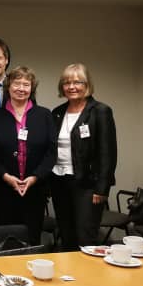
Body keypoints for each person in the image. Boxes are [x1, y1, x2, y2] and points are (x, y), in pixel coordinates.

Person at [0, 66, 57, 245]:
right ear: (8, 86)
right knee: (4, 240)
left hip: (35, 190)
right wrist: (6, 176)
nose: (21, 88)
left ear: (32, 88)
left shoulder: (44, 115)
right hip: (2, 189)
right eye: (17, 84)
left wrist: (35, 177)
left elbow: (51, 152)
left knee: (31, 238)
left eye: (26, 84)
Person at [51, 63, 117, 250]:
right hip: (60, 181)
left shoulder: (100, 111)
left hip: (88, 185)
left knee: (85, 236)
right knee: (66, 234)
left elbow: (108, 153)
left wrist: (102, 188)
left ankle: (88, 269)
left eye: (77, 82)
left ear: (87, 85)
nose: (71, 87)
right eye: (67, 83)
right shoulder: (57, 113)